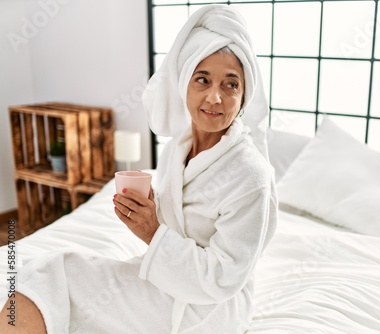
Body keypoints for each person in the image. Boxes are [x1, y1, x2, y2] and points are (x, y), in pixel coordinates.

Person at [0, 5, 277, 333]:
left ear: (243, 96)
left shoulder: (251, 176)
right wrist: (146, 213)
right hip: (171, 277)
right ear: (184, 84)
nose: (215, 97)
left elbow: (221, 278)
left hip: (207, 307)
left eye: (230, 84)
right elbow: (178, 219)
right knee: (45, 274)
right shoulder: (179, 147)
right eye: (202, 79)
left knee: (55, 274)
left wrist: (151, 231)